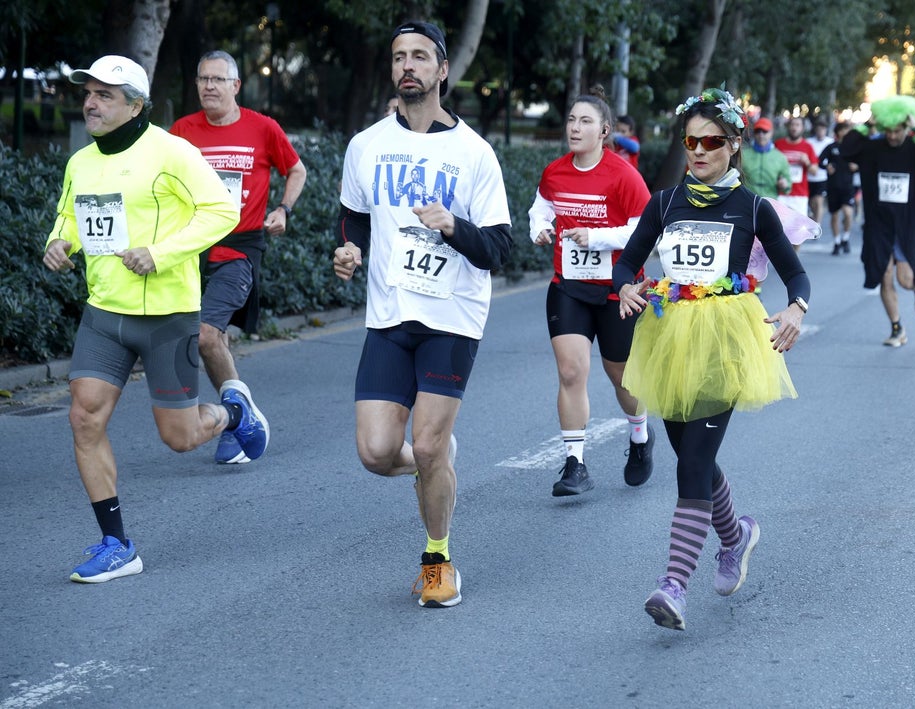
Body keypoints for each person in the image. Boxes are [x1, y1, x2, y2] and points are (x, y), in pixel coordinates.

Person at [42, 55, 267, 583]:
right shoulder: (82, 161)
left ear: (135, 105)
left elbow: (221, 210)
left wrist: (160, 252)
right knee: (84, 418)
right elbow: (70, 211)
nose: (90, 103)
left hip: (167, 315)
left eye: (104, 95)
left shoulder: (172, 153)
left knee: (181, 436)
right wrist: (60, 240)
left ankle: (234, 414)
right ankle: (116, 543)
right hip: (104, 312)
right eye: (89, 93)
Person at [613, 86, 810, 631]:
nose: (698, 150)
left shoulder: (752, 207)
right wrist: (626, 287)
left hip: (726, 341)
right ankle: (736, 535)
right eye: (691, 141)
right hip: (670, 339)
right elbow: (626, 262)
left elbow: (796, 274)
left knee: (694, 464)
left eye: (711, 141)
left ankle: (673, 585)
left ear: (734, 145)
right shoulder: (664, 202)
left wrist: (795, 308)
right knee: (689, 456)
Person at [332, 21, 512, 609]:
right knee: (377, 453)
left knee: (429, 444)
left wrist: (452, 225)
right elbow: (353, 213)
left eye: (420, 57)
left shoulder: (473, 154)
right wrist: (351, 248)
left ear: (441, 71)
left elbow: (500, 249)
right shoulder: (367, 145)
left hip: (452, 316)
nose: (408, 66)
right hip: (389, 312)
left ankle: (438, 559)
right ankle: (435, 466)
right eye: (399, 57)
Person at [170, 50, 307, 465]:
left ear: (235, 86)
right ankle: (238, 420)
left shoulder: (262, 128)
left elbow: (296, 170)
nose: (208, 86)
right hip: (191, 248)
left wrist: (283, 209)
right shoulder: (181, 131)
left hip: (239, 248)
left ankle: (234, 414)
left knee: (206, 335)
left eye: (217, 79)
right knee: (213, 339)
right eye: (202, 79)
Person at [527, 88, 654, 496]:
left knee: (620, 376)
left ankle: (639, 437)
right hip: (569, 286)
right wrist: (540, 229)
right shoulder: (556, 171)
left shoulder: (624, 175)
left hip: (620, 290)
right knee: (570, 371)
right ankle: (574, 464)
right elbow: (541, 206)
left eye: (585, 122)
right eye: (570, 121)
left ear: (604, 131)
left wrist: (597, 237)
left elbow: (645, 229)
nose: (575, 128)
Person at [839, 95, 915, 348]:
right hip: (879, 222)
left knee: (905, 280)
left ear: (906, 128)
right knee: (884, 275)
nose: (893, 136)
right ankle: (897, 328)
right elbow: (846, 149)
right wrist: (866, 125)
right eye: (889, 131)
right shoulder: (872, 148)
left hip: (909, 222)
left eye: (899, 131)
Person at [775, 116, 818, 236]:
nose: (794, 128)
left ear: (802, 128)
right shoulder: (779, 144)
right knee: (779, 230)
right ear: (788, 126)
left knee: (799, 231)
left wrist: (807, 162)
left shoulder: (807, 146)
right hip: (781, 193)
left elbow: (815, 171)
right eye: (792, 125)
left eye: (797, 125)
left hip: (800, 194)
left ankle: (795, 255)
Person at [819, 121, 857, 255]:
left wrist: (856, 166)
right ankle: (837, 242)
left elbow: (863, 163)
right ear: (838, 132)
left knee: (848, 214)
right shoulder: (831, 147)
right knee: (834, 216)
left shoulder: (853, 148)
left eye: (848, 130)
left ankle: (845, 238)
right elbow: (819, 160)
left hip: (848, 187)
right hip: (833, 187)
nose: (846, 132)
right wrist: (826, 166)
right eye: (844, 130)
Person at [741, 117, 791, 199]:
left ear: (771, 133)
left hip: (771, 203)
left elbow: (788, 188)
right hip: (747, 202)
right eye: (758, 131)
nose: (761, 135)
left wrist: (784, 185)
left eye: (765, 131)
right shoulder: (743, 155)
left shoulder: (780, 157)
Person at [805, 117, 834, 228]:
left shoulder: (830, 142)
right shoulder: (809, 142)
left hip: (822, 177)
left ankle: (817, 226)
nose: (820, 131)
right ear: (815, 129)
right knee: (812, 203)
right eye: (818, 129)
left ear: (826, 129)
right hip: (809, 177)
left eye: (823, 129)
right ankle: (813, 219)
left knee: (819, 202)